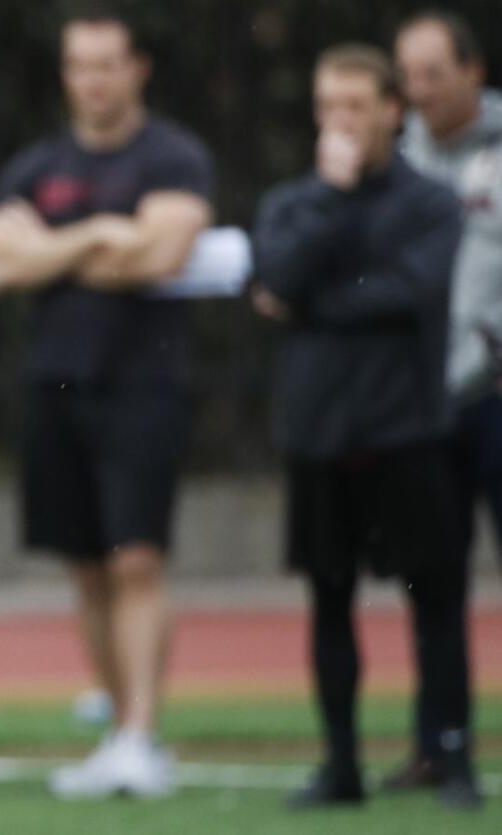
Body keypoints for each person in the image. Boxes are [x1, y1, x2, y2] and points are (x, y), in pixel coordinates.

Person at [0, 9, 212, 798]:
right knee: (86, 568)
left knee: (137, 557)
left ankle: (142, 735)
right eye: (80, 64)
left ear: (138, 67)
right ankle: (118, 726)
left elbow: (164, 250)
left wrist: (51, 247)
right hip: (57, 383)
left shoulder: (175, 157)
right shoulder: (35, 164)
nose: (94, 79)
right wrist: (101, 235)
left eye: (108, 63)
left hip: (146, 384)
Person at [252, 43, 479, 810]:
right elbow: (276, 274)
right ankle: (342, 764)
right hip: (320, 433)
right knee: (329, 597)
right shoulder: (296, 200)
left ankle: (451, 758)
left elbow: (409, 294)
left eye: (355, 107)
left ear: (392, 112)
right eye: (327, 108)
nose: (340, 123)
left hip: (409, 431)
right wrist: (330, 198)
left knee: (437, 600)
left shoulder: (432, 202)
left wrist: (314, 301)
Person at [391, 10, 502, 794]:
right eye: (409, 76)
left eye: (434, 74)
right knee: (433, 582)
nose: (418, 91)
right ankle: (442, 746)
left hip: (495, 396)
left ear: (475, 71)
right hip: (427, 405)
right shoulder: (397, 160)